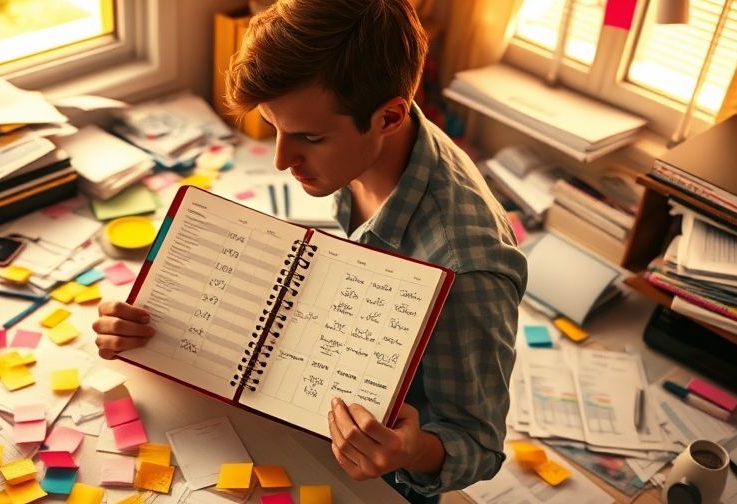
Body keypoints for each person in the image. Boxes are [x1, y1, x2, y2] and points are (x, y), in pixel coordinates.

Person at [94, 0, 527, 501]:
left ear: (388, 117)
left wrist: (410, 452)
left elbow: (479, 444)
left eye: (309, 137)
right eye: (275, 128)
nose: (280, 160)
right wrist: (153, 321)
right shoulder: (380, 147)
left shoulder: (467, 268)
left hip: (375, 475)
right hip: (313, 396)